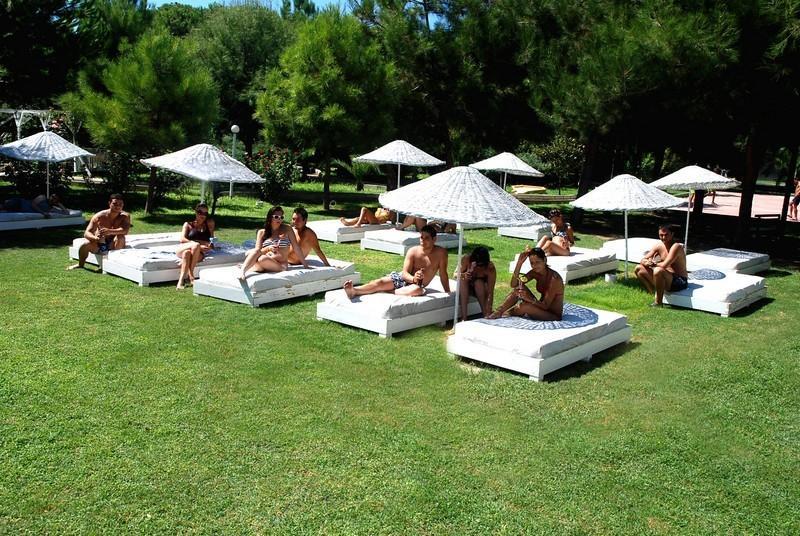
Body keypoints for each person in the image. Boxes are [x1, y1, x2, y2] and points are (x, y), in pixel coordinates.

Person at [343, 224, 449, 299]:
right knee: (380, 282)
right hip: (403, 279)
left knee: (417, 290)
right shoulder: (413, 251)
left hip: (416, 286)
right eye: (421, 237)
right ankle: (354, 291)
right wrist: (414, 278)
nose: (423, 240)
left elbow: (443, 274)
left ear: (434, 239)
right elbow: (404, 274)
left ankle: (389, 291)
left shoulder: (441, 253)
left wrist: (448, 292)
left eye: (427, 238)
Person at [488, 246, 564, 321]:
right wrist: (519, 263)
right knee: (519, 288)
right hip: (541, 307)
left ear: (544, 260)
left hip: (552, 314)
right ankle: (499, 311)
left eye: (537, 262)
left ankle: (505, 313)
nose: (534, 266)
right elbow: (514, 284)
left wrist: (529, 299)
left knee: (524, 306)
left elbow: (546, 306)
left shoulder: (554, 279)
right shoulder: (535, 273)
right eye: (532, 263)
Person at [239, 205, 309, 280]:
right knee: (255, 253)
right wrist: (268, 248)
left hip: (280, 265)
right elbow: (258, 251)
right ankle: (243, 271)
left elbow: (296, 247)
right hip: (267, 259)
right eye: (276, 217)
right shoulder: (262, 232)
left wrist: (305, 265)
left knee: (261, 259)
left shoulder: (287, 229)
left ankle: (252, 266)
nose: (279, 219)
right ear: (270, 218)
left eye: (281, 217)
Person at [67, 194, 130, 270]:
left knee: (120, 237)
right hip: (99, 242)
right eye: (115, 204)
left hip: (113, 243)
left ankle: (114, 264)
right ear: (109, 203)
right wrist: (95, 238)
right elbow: (87, 233)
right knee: (85, 245)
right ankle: (80, 265)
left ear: (123, 205)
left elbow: (125, 231)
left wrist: (109, 231)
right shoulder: (99, 216)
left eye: (120, 204)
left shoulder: (125, 216)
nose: (118, 206)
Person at [634, 224, 688, 306]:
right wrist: (646, 262)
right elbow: (643, 260)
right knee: (638, 268)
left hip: (679, 281)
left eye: (666, 235)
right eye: (661, 235)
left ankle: (658, 302)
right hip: (667, 277)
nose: (663, 237)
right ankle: (652, 293)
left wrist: (652, 264)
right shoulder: (659, 246)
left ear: (672, 234)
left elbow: (665, 265)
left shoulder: (676, 247)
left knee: (658, 270)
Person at [175, 203, 215, 290]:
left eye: (205, 213)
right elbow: (182, 239)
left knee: (187, 254)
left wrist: (209, 246)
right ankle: (191, 275)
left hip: (197, 253)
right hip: (183, 248)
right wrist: (198, 245)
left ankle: (180, 282)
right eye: (200, 212)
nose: (203, 215)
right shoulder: (188, 224)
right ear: (196, 212)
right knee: (194, 246)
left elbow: (211, 241)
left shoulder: (208, 225)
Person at [454, 246, 496, 320]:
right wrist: (463, 275)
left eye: (481, 265)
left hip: (481, 289)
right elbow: (455, 274)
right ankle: (464, 317)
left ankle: (485, 314)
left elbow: (490, 292)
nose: (479, 267)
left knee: (478, 283)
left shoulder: (490, 268)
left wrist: (489, 309)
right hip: (466, 287)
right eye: (477, 264)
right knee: (463, 280)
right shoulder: (466, 259)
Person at [1, 193, 68, 217]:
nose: (52, 198)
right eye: (52, 196)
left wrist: (59, 204)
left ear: (57, 201)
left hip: (20, 209)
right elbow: (33, 204)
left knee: (4, 209)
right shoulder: (42, 197)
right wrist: (43, 213)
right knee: (4, 206)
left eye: (54, 198)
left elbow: (66, 213)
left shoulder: (50, 209)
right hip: (20, 203)